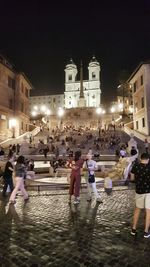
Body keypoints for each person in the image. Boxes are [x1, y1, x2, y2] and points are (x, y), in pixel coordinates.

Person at [130, 153, 150, 238]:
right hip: (149, 191)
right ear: (148, 159)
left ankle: (134, 229)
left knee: (137, 210)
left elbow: (132, 178)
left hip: (139, 191)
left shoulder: (135, 166)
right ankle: (146, 231)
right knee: (148, 211)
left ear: (140, 158)